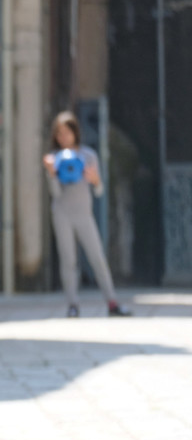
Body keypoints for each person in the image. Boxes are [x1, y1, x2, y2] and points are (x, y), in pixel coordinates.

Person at [42, 111, 131, 318]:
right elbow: (54, 193)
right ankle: (72, 305)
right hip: (62, 214)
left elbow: (99, 191)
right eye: (59, 134)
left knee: (97, 257)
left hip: (84, 214)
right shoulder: (53, 159)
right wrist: (52, 174)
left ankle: (112, 302)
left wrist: (95, 179)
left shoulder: (88, 156)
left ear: (75, 133)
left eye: (67, 132)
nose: (63, 137)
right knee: (68, 260)